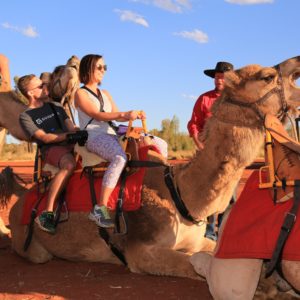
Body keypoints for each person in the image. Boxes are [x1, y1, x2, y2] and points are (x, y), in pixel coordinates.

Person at [75, 54, 167, 229]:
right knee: (119, 158)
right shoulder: (80, 93)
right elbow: (97, 115)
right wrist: (124, 114)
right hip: (94, 135)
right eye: (99, 67)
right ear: (88, 69)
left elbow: (118, 116)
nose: (103, 71)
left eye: (105, 67)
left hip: (114, 132)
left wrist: (135, 115)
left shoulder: (106, 93)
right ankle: (99, 208)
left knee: (159, 144)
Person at [18, 74, 77, 234]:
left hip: (71, 142)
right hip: (51, 149)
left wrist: (80, 132)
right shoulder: (26, 116)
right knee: (69, 164)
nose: (46, 87)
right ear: (30, 93)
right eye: (40, 86)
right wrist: (68, 136)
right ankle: (47, 213)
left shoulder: (57, 106)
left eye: (45, 84)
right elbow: (43, 137)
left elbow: (71, 128)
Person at [187, 61, 235, 241]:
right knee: (209, 192)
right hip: (208, 154)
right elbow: (194, 123)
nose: (219, 80)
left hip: (230, 155)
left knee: (229, 194)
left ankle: (225, 232)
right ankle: (208, 233)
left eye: (222, 77)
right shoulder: (205, 98)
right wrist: (198, 142)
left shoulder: (237, 102)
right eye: (217, 76)